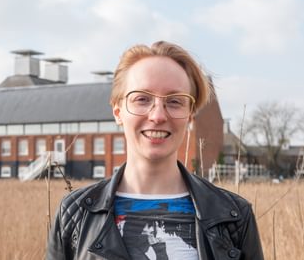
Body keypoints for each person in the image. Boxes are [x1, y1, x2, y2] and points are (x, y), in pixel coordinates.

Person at [47, 41, 264, 259]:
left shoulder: (234, 217)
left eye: (175, 101)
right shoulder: (76, 214)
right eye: (142, 99)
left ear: (190, 115)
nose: (158, 116)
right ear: (117, 111)